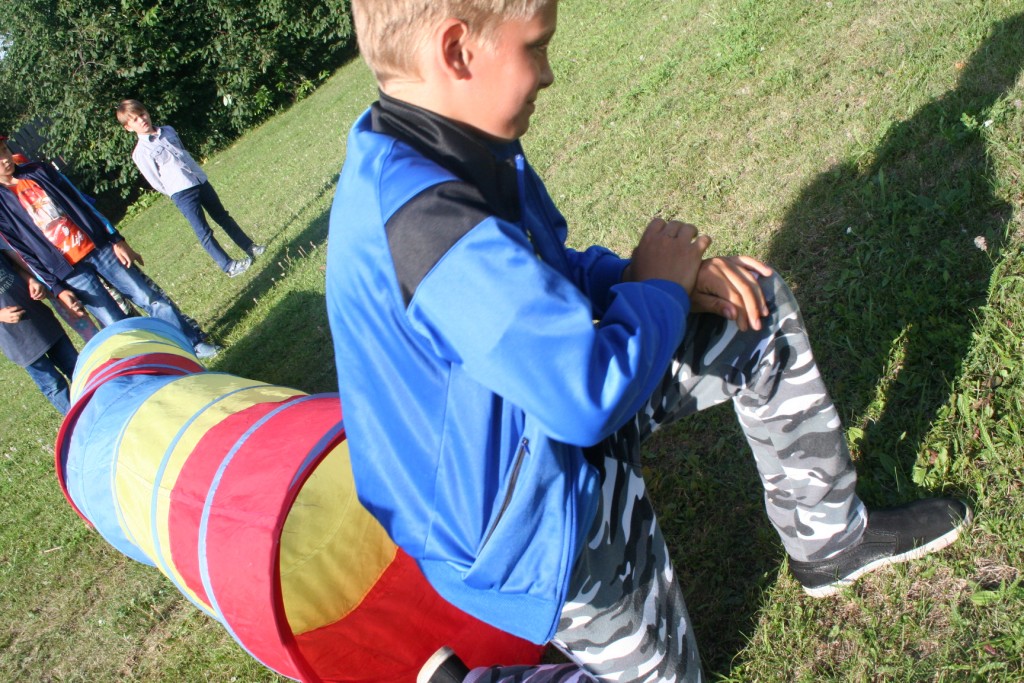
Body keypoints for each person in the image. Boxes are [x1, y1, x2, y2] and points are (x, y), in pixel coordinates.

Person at [325, 2, 971, 681]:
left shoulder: (456, 138)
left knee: (751, 309)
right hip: (522, 519)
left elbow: (544, 276)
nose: (547, 73)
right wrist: (660, 290)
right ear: (458, 51)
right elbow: (583, 397)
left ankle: (829, 538)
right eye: (536, 47)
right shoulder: (423, 219)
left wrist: (649, 279)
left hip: (552, 417)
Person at [0, 135, 220, 359]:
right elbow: (23, 252)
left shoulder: (39, 171)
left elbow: (82, 203)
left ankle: (192, 344)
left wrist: (116, 239)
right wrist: (57, 288)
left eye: (5, 150)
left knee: (148, 297)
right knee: (115, 323)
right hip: (70, 273)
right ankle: (155, 363)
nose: (5, 159)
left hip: (101, 249)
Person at [115, 99, 265, 278]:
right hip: (181, 192)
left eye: (142, 114)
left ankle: (249, 247)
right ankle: (229, 266)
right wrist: (174, 190)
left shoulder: (168, 130)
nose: (141, 120)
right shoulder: (141, 152)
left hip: (199, 180)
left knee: (223, 216)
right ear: (128, 127)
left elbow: (182, 152)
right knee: (204, 231)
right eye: (135, 120)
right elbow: (155, 181)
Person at [0, 248, 79, 414]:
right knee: (54, 385)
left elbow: (15, 267)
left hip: (41, 321)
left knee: (76, 368)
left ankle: (100, 406)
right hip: (18, 342)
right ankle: (80, 423)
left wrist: (32, 281)